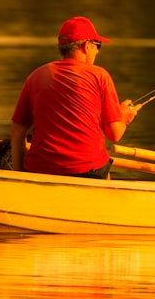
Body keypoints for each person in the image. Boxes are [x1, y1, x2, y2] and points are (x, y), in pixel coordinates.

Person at [10, 16, 138, 178]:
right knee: (103, 164)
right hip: (89, 171)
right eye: (97, 45)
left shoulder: (36, 76)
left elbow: (17, 131)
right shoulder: (100, 76)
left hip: (39, 169)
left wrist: (19, 175)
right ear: (86, 46)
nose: (97, 51)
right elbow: (114, 134)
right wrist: (123, 117)